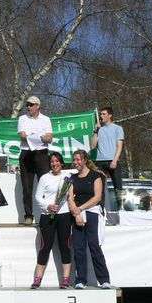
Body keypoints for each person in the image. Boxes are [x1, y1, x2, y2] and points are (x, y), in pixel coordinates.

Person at [67, 149, 112, 289]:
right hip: (77, 215)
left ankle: (104, 280)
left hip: (92, 213)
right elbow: (70, 198)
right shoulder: (72, 178)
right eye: (74, 160)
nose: (75, 162)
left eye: (78, 159)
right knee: (79, 248)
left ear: (85, 160)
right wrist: (76, 213)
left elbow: (97, 197)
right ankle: (80, 280)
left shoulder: (96, 176)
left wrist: (80, 209)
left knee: (94, 246)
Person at [31, 152, 73, 289]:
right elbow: (38, 197)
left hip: (64, 215)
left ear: (61, 163)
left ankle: (66, 279)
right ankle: (37, 279)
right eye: (52, 162)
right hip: (47, 215)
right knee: (45, 247)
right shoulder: (44, 178)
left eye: (57, 161)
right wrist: (47, 206)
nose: (54, 164)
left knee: (65, 246)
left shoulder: (68, 177)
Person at [17, 95, 53, 225]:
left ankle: (48, 213)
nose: (28, 107)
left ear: (38, 106)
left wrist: (33, 136)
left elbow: (49, 138)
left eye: (31, 105)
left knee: (46, 184)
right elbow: (22, 136)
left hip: (41, 154)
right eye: (27, 104)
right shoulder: (22, 118)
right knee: (27, 187)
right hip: (26, 153)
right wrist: (40, 137)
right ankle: (28, 215)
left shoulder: (46, 119)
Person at [91, 106, 124, 209]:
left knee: (118, 187)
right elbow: (93, 146)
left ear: (110, 115)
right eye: (100, 114)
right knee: (99, 188)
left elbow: (119, 146)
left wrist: (115, 160)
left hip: (113, 161)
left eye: (103, 114)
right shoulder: (99, 129)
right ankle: (101, 209)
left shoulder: (118, 128)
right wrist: (96, 131)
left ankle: (121, 208)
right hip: (100, 162)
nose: (101, 116)